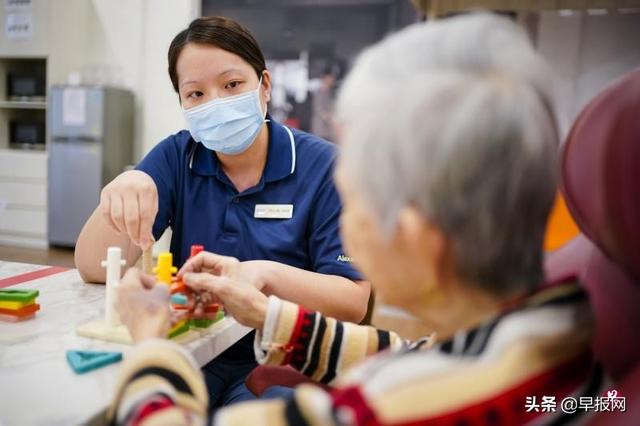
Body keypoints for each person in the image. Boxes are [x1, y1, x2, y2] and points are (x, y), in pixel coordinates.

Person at [108, 14, 606, 425]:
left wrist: (151, 341)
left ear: (414, 237)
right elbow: (406, 352)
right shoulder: (555, 331)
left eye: (355, 200)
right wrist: (265, 313)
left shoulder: (384, 410)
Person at [74, 16, 369, 408]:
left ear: (264, 86)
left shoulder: (325, 167)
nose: (215, 103)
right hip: (192, 348)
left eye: (232, 85)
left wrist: (263, 274)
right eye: (195, 94)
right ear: (181, 102)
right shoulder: (178, 156)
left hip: (285, 358)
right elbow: (94, 266)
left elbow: (352, 300)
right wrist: (123, 191)